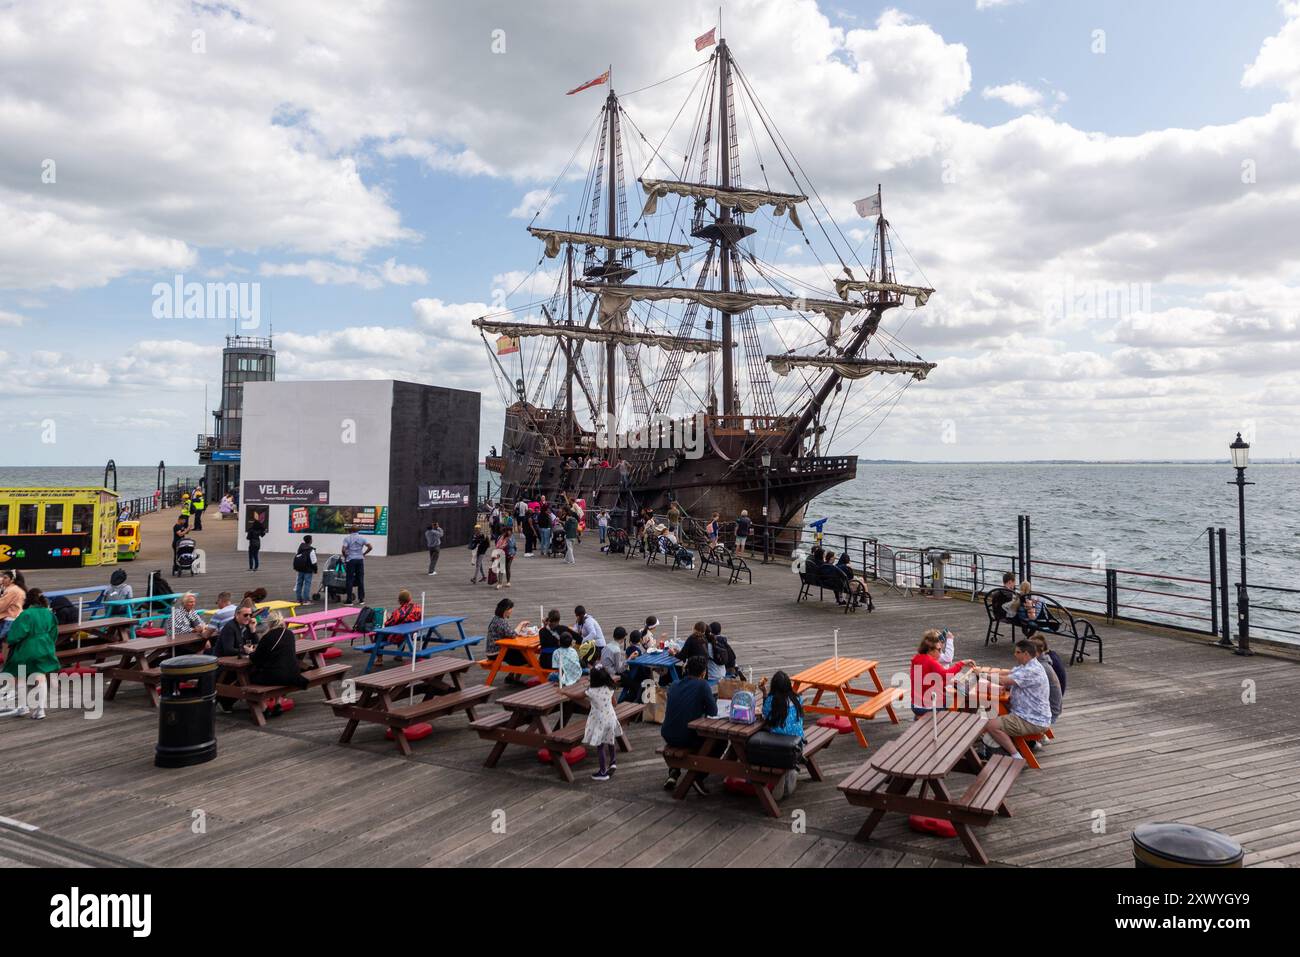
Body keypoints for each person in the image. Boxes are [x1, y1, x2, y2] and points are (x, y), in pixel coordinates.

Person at [981, 639, 1052, 759]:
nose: (1015, 654)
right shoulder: (1028, 665)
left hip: (1031, 719)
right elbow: (1008, 676)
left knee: (990, 725)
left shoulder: (1031, 671)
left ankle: (1015, 756)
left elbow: (1004, 680)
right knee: (993, 711)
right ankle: (1028, 745)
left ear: (1026, 654)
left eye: (1017, 652)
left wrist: (981, 675)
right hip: (1030, 714)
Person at [661, 656, 717, 793]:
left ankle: (674, 772)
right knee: (718, 742)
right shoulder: (702, 685)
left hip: (667, 734)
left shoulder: (674, 685)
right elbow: (713, 711)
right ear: (703, 672)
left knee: (680, 725)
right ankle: (698, 777)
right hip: (686, 737)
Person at [2, 588, 59, 719]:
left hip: (27, 648)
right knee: (41, 677)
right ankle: (40, 710)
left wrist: (10, 641)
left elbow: (16, 635)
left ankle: (23, 707)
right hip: (45, 646)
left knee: (21, 676)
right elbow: (54, 632)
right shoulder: (49, 613)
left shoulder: (26, 614)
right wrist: (48, 643)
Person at [248, 612, 308, 708]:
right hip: (292, 675)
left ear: (269, 624)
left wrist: (250, 652)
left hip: (276, 676)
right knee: (278, 666)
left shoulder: (267, 637)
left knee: (249, 678)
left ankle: (263, 707)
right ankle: (278, 702)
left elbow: (256, 659)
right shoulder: (289, 634)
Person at [910, 629, 974, 717]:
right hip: (928, 708)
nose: (940, 654)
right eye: (939, 650)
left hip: (915, 705)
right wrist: (962, 663)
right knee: (957, 708)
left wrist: (950, 682)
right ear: (930, 650)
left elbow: (927, 681)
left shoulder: (917, 658)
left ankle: (919, 722)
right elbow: (946, 675)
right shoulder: (931, 661)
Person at [212, 604, 259, 711]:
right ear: (237, 615)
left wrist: (253, 630)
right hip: (222, 664)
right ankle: (225, 699)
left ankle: (227, 700)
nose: (248, 617)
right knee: (246, 674)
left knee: (253, 672)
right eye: (245, 615)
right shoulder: (230, 627)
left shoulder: (246, 626)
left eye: (250, 615)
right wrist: (244, 650)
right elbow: (228, 649)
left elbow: (256, 644)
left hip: (237, 662)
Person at [584, 666, 622, 781]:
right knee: (610, 740)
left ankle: (603, 772)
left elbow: (578, 697)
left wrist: (564, 692)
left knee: (600, 746)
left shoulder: (591, 691)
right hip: (611, 718)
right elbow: (615, 703)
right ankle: (613, 762)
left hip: (600, 722)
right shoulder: (609, 688)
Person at [1029, 634, 1064, 728]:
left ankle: (1033, 736)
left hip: (1049, 712)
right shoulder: (1047, 659)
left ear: (1036, 652)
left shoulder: (1041, 667)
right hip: (1054, 706)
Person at [340, 525, 372, 602]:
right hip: (360, 560)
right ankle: (361, 599)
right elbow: (370, 547)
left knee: (349, 579)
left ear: (350, 531)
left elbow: (343, 550)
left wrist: (345, 556)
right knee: (360, 579)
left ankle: (349, 599)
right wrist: (363, 554)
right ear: (358, 530)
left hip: (351, 560)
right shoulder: (362, 538)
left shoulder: (347, 538)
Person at [0, 570, 26, 641]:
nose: (2, 580)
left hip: (9, 620)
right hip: (14, 618)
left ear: (12, 580)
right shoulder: (17, 588)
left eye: (5, 578)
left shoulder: (12, 590)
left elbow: (1, 606)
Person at [293, 534, 318, 602]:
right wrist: (315, 570)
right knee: (307, 584)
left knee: (299, 583)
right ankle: (306, 600)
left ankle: (298, 599)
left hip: (300, 569)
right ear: (310, 541)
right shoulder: (311, 550)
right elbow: (314, 561)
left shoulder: (300, 548)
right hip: (308, 570)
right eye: (311, 539)